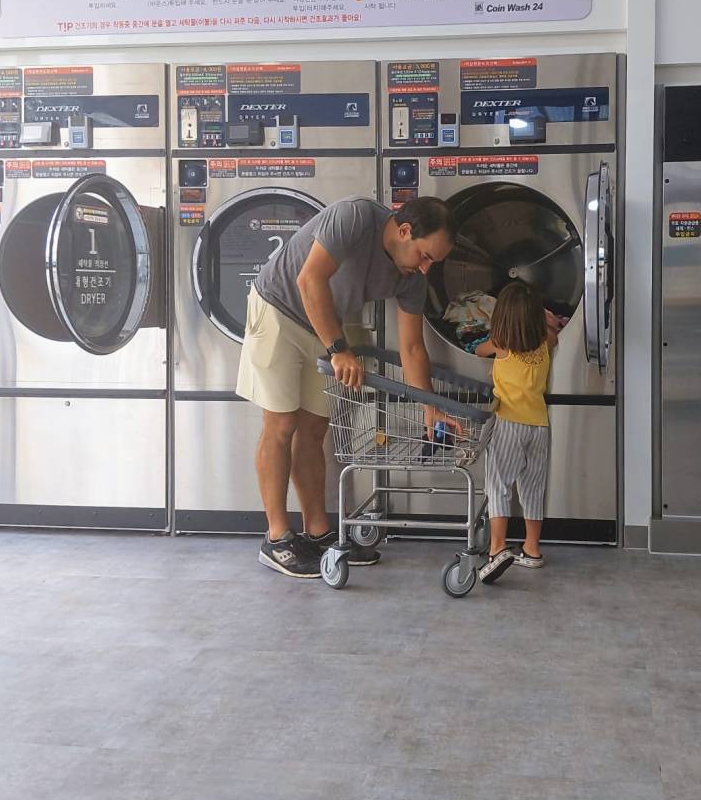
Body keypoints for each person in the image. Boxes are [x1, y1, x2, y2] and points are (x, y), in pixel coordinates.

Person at [236, 195, 456, 579]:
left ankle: (318, 532)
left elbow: (412, 347)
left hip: (324, 326)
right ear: (404, 231)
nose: (426, 268)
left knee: (315, 430)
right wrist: (338, 349)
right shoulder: (353, 217)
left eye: (433, 262)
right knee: (281, 425)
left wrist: (430, 407)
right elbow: (309, 279)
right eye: (425, 256)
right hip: (279, 309)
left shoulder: (410, 278)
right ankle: (276, 539)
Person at [474, 282, 562, 585]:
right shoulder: (546, 341)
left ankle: (497, 548)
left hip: (508, 423)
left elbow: (477, 348)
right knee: (533, 488)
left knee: (498, 484)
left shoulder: (499, 344)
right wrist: (549, 321)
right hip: (539, 426)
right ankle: (532, 549)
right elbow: (554, 331)